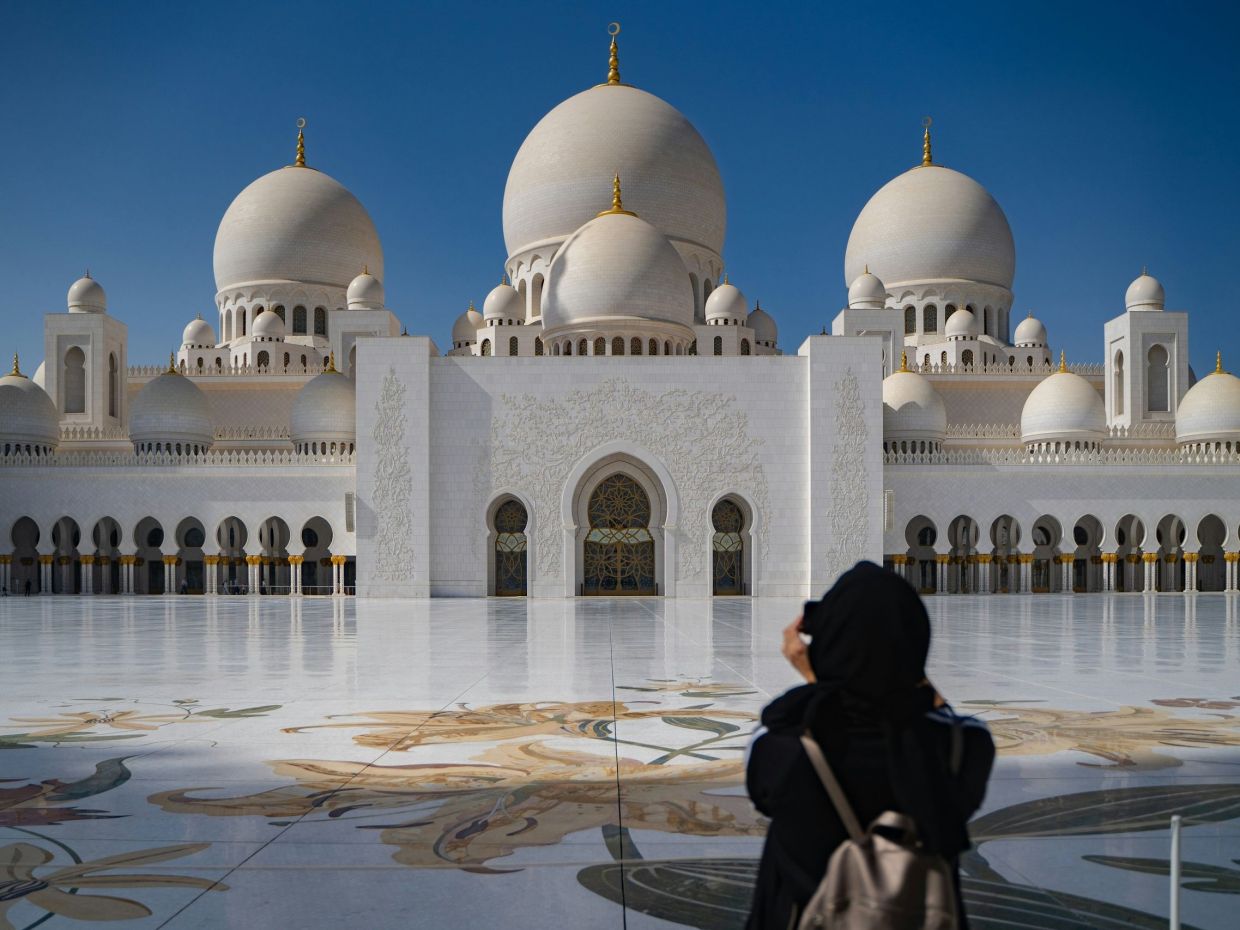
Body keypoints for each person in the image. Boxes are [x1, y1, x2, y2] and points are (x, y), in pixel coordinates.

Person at [745, 561, 995, 929]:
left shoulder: (782, 747)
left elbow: (762, 789)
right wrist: (900, 666)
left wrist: (822, 680)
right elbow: (941, 717)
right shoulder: (963, 747)